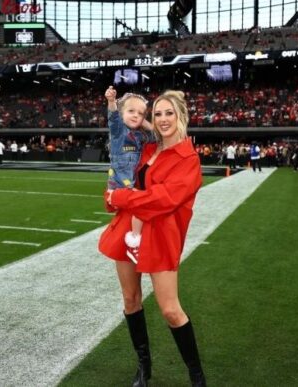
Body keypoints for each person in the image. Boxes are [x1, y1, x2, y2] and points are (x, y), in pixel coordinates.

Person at [98, 90, 206, 387]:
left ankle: (196, 375)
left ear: (181, 115)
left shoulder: (188, 158)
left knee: (171, 310)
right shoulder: (146, 147)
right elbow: (122, 171)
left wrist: (121, 196)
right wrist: (113, 195)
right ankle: (143, 366)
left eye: (168, 113)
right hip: (128, 229)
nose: (162, 119)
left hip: (161, 234)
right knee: (131, 300)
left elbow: (164, 199)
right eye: (156, 114)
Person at [104, 86, 155, 265]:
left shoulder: (140, 135)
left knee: (142, 206)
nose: (135, 115)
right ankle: (134, 242)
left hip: (130, 183)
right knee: (142, 205)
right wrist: (112, 102)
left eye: (140, 113)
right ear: (121, 112)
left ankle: (134, 239)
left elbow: (158, 136)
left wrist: (144, 122)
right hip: (119, 185)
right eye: (131, 111)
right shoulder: (119, 132)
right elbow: (113, 118)